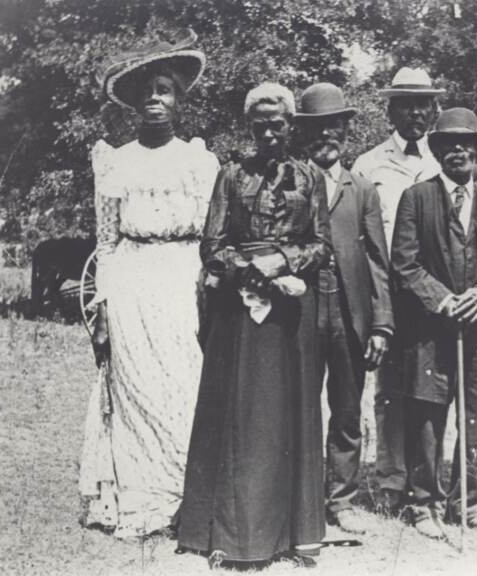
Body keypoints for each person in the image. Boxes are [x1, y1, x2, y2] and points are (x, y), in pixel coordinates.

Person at [177, 82, 332, 569]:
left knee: (288, 416)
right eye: (260, 123)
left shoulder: (310, 178)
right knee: (240, 418)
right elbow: (212, 244)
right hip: (238, 315)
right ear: (250, 126)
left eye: (278, 123)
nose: (269, 131)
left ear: (291, 126)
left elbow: (322, 244)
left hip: (290, 315)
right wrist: (252, 272)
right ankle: (233, 536)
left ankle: (291, 535)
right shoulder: (230, 176)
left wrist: (283, 261)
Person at [79, 34, 220, 538]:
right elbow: (108, 241)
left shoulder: (199, 161)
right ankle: (141, 499)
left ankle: (186, 496)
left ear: (180, 99)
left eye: (165, 90)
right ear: (135, 103)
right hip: (133, 282)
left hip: (183, 282)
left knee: (182, 386)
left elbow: (212, 238)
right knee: (136, 388)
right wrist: (104, 305)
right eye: (147, 92)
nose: (155, 99)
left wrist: (210, 289)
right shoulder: (116, 161)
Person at [390, 107, 477, 538]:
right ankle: (422, 502)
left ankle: (471, 501)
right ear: (437, 149)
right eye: (448, 143)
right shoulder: (418, 198)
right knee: (428, 414)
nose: (458, 150)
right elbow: (404, 265)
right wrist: (443, 300)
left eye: (467, 143)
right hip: (430, 329)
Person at [295, 83, 394, 534]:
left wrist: (381, 325)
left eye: (334, 127)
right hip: (301, 311)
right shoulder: (290, 181)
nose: (326, 137)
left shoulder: (363, 189)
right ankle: (300, 496)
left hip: (351, 312)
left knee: (347, 410)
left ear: (346, 132)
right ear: (305, 134)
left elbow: (378, 260)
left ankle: (342, 498)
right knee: (299, 405)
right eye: (317, 129)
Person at [351, 67, 443, 513]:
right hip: (386, 293)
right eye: (405, 103)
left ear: (433, 109)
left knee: (428, 389)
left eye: (423, 103)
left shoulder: (445, 160)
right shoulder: (368, 165)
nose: (415, 112)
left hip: (432, 295)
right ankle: (390, 481)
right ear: (390, 108)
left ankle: (428, 479)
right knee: (388, 388)